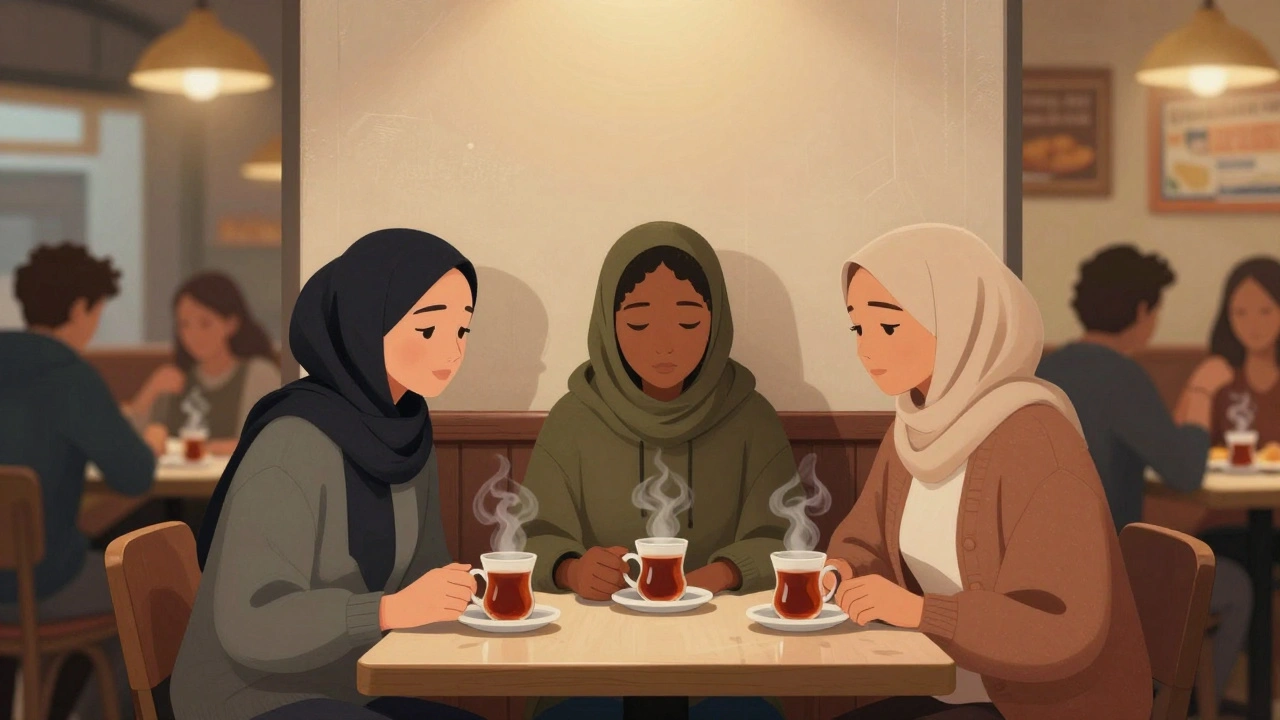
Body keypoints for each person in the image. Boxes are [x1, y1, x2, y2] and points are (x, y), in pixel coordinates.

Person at [826, 224, 1151, 720]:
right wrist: (842, 572)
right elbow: (865, 538)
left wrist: (917, 612)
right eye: (858, 328)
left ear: (957, 319)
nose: (866, 350)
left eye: (888, 327)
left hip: (1049, 707)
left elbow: (1063, 626)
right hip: (953, 687)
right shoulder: (915, 426)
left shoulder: (1036, 439)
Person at [169, 229, 484, 720]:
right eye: (428, 330)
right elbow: (250, 622)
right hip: (248, 697)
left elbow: (425, 566)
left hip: (347, 683)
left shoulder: (405, 429)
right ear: (363, 324)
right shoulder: (292, 441)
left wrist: (468, 595)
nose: (453, 350)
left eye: (462, 330)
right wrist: (389, 610)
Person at [521, 221, 796, 720]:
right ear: (608, 322)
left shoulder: (752, 417)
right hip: (590, 658)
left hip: (727, 659)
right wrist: (573, 568)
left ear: (717, 322)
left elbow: (783, 540)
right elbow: (529, 541)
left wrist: (713, 577)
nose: (665, 345)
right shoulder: (572, 420)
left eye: (689, 323)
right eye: (640, 324)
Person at [1036, 245, 1250, 713]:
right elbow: (1184, 468)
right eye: (1156, 312)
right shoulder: (1121, 376)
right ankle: (1188, 709)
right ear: (1141, 310)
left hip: (1047, 571)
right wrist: (1199, 393)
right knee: (1235, 587)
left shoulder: (1048, 369)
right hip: (1110, 579)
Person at [0, 243, 157, 720]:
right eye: (97, 312)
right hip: (42, 582)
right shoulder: (70, 376)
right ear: (79, 308)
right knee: (148, 593)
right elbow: (134, 475)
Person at [1183, 257, 1280, 585]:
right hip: (1227, 519)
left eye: (1266, 311)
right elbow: (1180, 451)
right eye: (1240, 312)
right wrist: (1201, 389)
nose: (1253, 324)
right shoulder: (1218, 375)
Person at [127, 272, 279, 457]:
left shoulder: (258, 374)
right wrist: (150, 392)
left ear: (231, 324)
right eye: (184, 324)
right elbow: (127, 444)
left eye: (205, 323)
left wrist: (200, 449)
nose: (193, 335)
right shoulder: (173, 377)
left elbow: (262, 444)